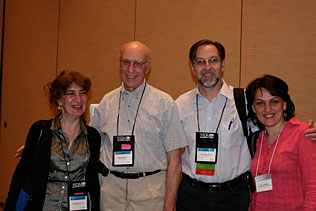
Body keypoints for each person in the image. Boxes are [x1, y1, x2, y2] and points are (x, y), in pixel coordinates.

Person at [175, 39, 316, 211]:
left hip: (234, 196)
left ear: (222, 64)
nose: (207, 67)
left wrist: (309, 130)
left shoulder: (244, 102)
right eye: (200, 62)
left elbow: (277, 124)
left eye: (213, 60)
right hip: (192, 195)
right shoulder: (180, 105)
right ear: (192, 67)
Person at [91, 41, 188, 211]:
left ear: (147, 67)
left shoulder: (164, 104)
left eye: (137, 64)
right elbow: (89, 148)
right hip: (110, 192)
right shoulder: (106, 102)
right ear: (119, 64)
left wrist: (169, 206)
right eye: (126, 62)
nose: (130, 70)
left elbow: (174, 162)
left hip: (150, 193)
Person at [5, 70, 101, 210]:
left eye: (82, 93)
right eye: (71, 93)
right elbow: (21, 173)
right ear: (59, 100)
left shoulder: (92, 136)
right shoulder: (41, 130)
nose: (79, 99)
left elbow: (92, 180)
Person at [245, 75, 316, 210]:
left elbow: (313, 190)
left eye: (274, 101)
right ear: (253, 108)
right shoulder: (257, 139)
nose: (267, 109)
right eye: (260, 103)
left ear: (284, 104)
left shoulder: (303, 134)